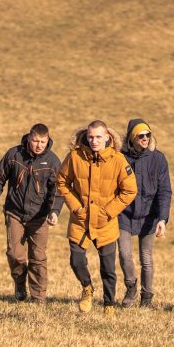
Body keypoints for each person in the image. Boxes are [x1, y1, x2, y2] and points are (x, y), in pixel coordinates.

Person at [56, 120, 137, 314]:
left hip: (106, 224)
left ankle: (109, 305)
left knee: (108, 269)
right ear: (86, 136)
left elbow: (130, 189)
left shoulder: (117, 160)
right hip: (80, 220)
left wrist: (108, 212)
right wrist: (76, 207)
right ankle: (87, 288)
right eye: (91, 137)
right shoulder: (74, 157)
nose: (94, 141)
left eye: (98, 137)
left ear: (107, 137)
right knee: (76, 261)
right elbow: (62, 182)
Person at [0, 123, 64, 304]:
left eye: (43, 141)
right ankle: (20, 284)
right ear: (29, 138)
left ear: (48, 140)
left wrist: (54, 212)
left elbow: (57, 190)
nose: (39, 145)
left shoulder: (52, 161)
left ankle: (38, 297)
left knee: (38, 257)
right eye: (36, 140)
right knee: (15, 254)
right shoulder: (14, 155)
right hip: (15, 213)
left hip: (40, 217)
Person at [118, 118, 172, 308]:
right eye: (141, 136)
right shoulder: (120, 157)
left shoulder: (158, 159)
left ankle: (147, 297)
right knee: (124, 254)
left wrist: (163, 219)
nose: (145, 138)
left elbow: (164, 191)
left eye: (148, 135)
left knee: (146, 258)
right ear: (132, 138)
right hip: (123, 214)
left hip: (150, 215)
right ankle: (130, 287)